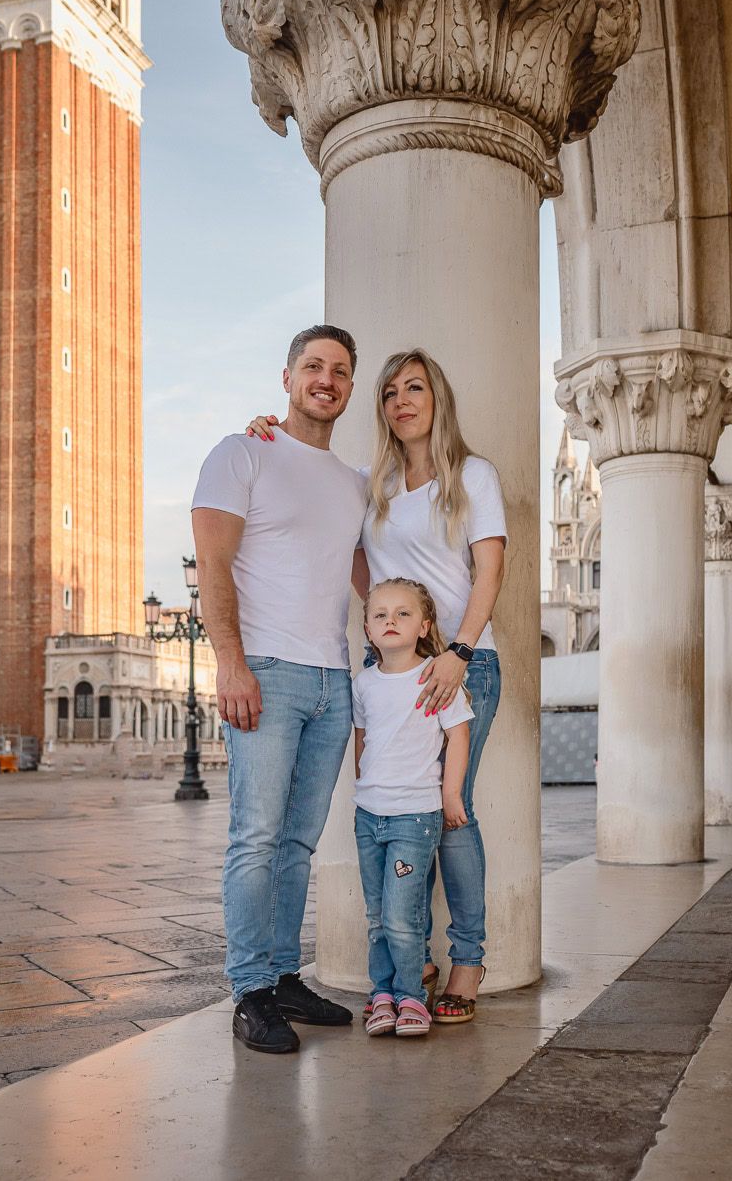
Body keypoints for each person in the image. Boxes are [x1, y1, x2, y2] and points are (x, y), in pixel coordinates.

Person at [248, 347, 505, 1022]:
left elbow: (489, 573)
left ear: (436, 398)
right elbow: (353, 549)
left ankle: (468, 960)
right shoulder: (372, 483)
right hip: (389, 672)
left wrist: (456, 649)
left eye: (415, 387)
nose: (401, 400)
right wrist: (385, 625)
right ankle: (408, 954)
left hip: (461, 665)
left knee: (450, 813)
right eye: (390, 391)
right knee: (390, 811)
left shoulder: (474, 475)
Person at [193, 326, 370, 1055]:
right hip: (266, 672)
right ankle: (249, 991)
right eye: (313, 367)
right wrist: (229, 662)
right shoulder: (242, 453)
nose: (325, 379)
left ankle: (282, 974)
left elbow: (369, 577)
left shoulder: (355, 481)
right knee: (255, 837)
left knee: (298, 841)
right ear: (288, 376)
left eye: (339, 370)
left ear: (349, 387)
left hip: (334, 678)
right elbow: (212, 561)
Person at [352, 579, 473, 1038]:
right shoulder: (363, 683)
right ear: (367, 627)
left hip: (414, 816)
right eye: (380, 614)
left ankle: (411, 997)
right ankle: (382, 993)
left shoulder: (437, 677)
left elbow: (458, 735)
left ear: (424, 627)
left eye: (402, 614)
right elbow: (363, 740)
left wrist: (451, 794)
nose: (390, 621)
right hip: (369, 813)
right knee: (378, 913)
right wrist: (363, 784)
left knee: (404, 916)